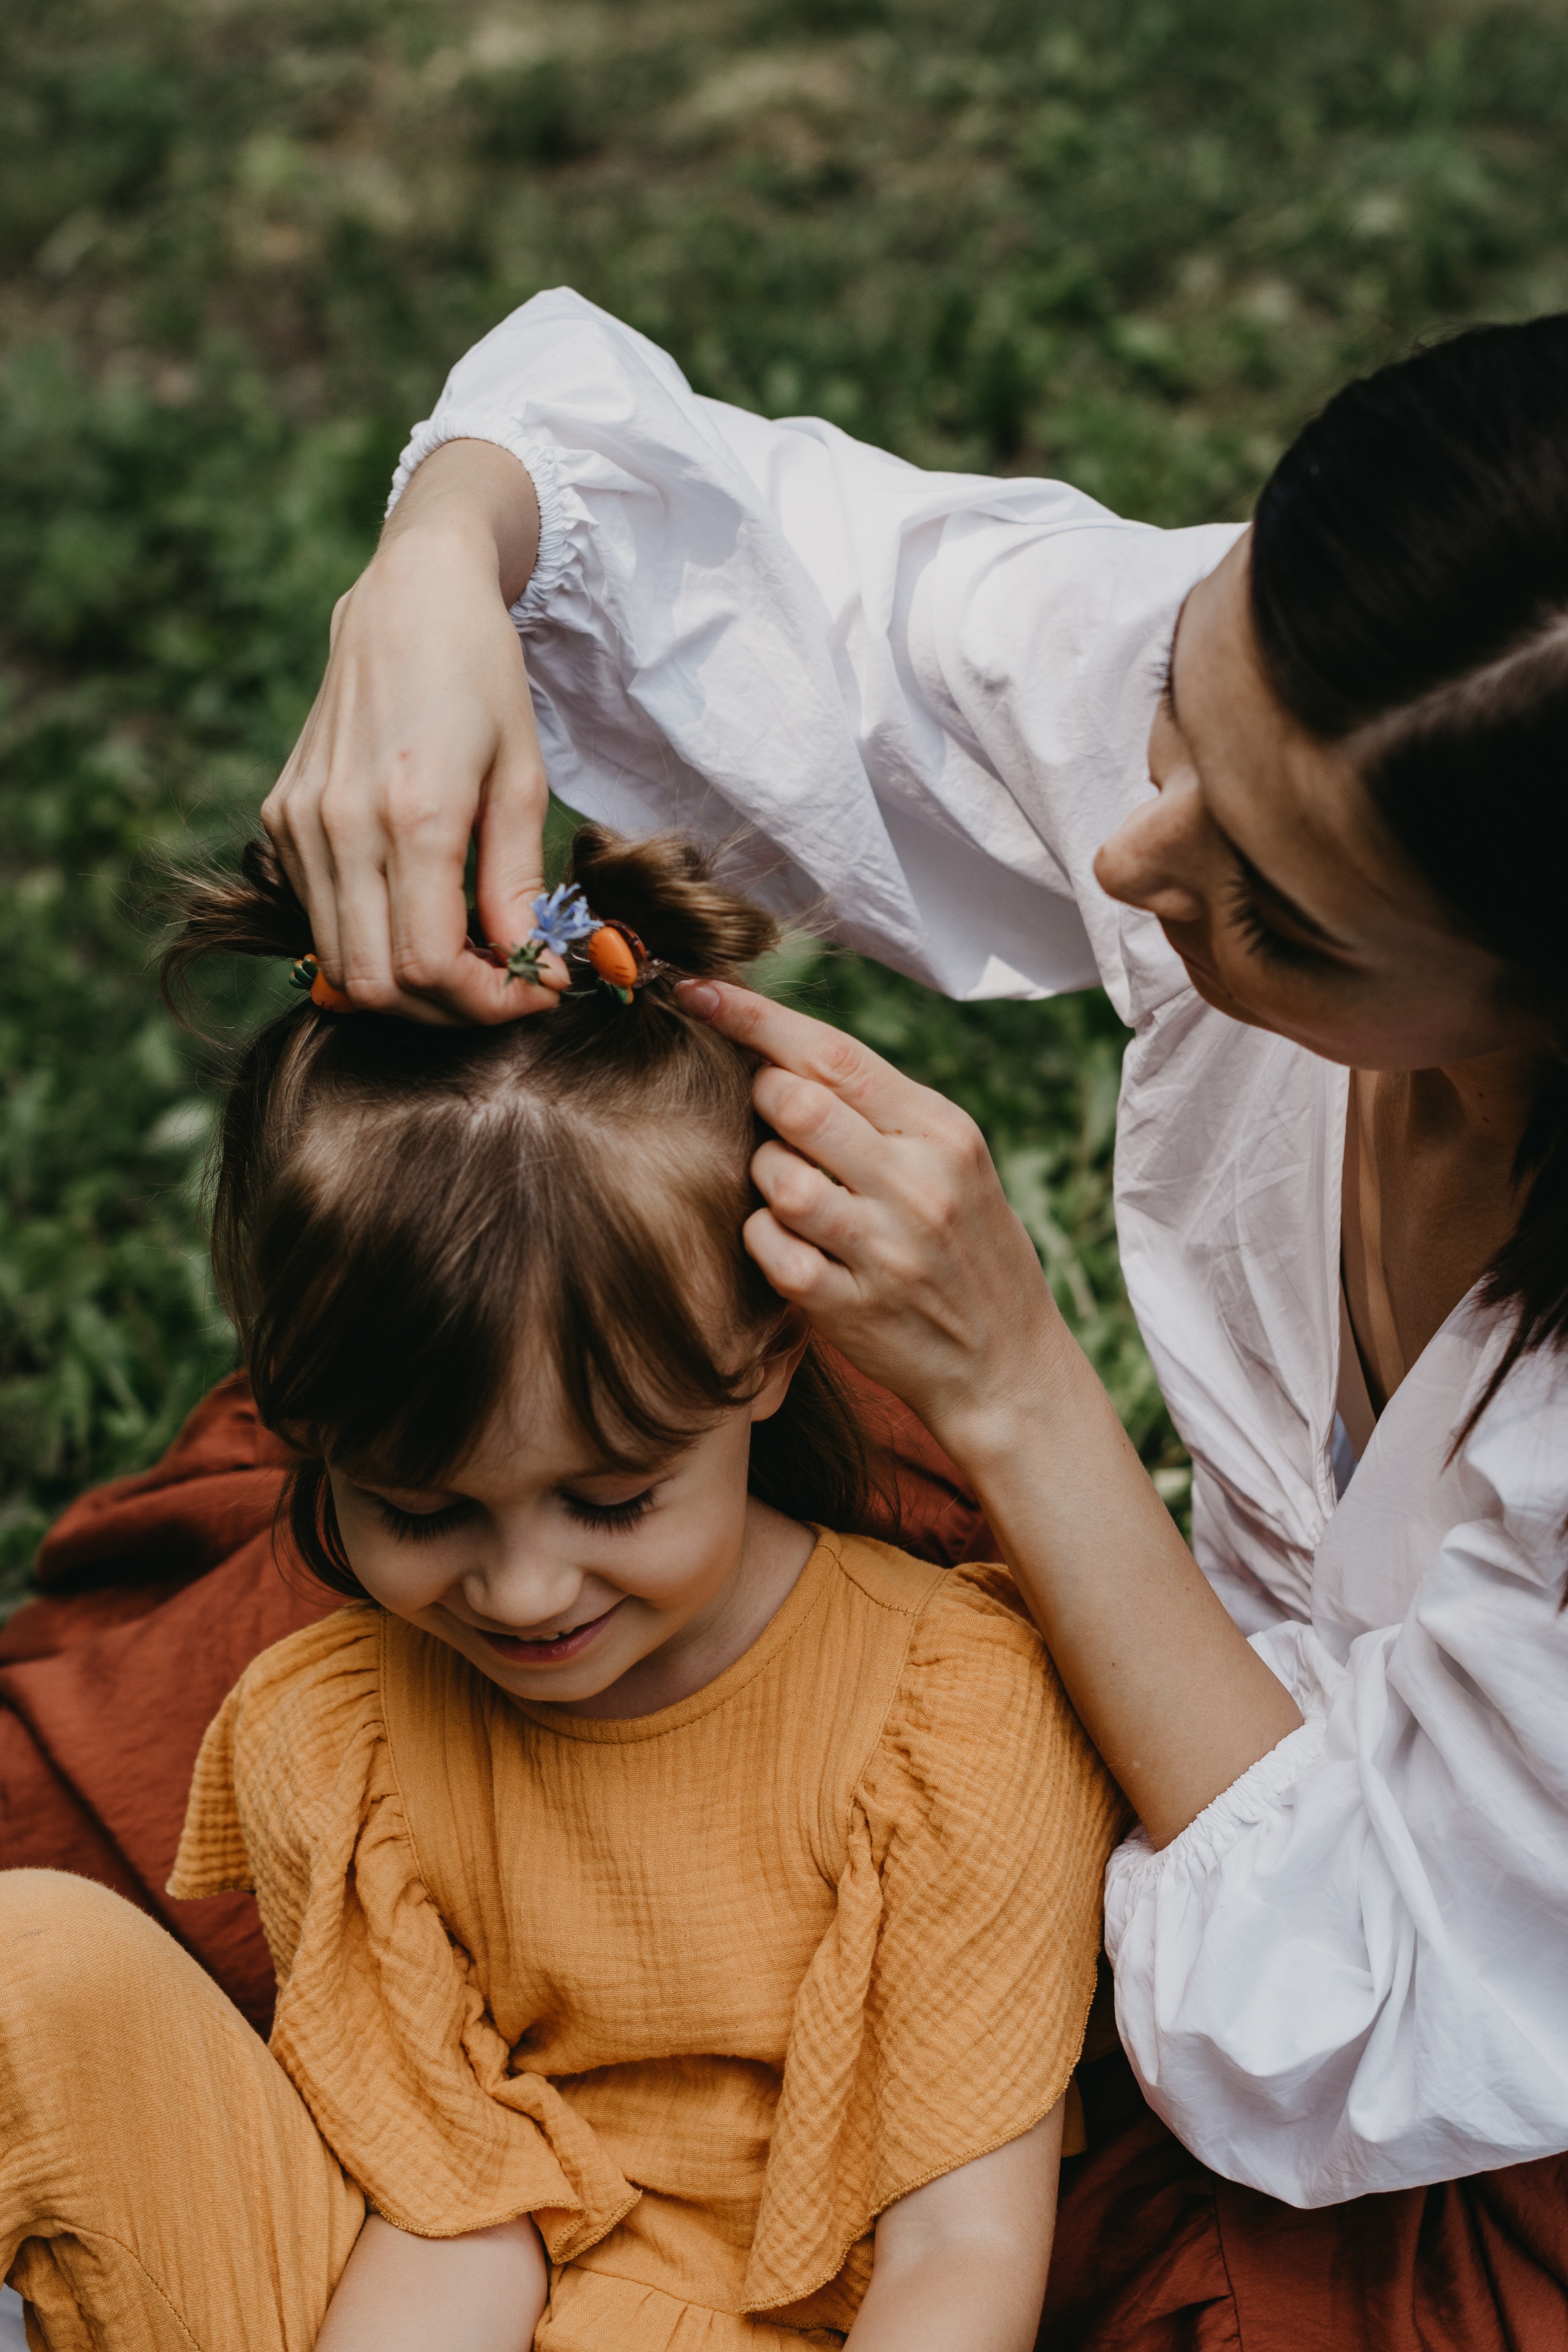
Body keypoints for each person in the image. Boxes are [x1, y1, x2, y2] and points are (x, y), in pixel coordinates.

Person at [254, 288, 1568, 2336]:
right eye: (1187, 718)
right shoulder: (1374, 715)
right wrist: (437, 565)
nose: (1133, 857)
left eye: (1286, 915)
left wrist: (1019, 1393)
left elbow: (1362, 1980)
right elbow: (745, 556)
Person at [0, 826, 1124, 2351]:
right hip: (418, 2304)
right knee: (30, 1967)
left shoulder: (951, 1716)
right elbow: (454, 2224)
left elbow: (957, 2260)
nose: (524, 1591)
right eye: (419, 1507)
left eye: (611, 1498)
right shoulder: (336, 1742)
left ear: (770, 1355)